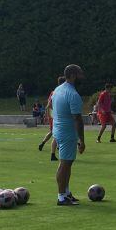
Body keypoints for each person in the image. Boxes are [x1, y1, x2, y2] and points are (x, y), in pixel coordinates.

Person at [51, 64, 86, 205]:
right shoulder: (73, 94)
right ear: (72, 75)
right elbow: (77, 119)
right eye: (80, 74)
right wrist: (82, 141)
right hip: (67, 133)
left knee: (68, 163)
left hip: (59, 130)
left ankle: (66, 192)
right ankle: (61, 197)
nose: (82, 77)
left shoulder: (58, 89)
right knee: (64, 164)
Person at [38, 76, 64, 160]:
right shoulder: (58, 92)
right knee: (56, 133)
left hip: (53, 114)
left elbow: (48, 105)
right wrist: (48, 115)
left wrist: (47, 115)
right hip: (54, 114)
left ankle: (43, 143)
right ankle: (54, 151)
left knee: (53, 132)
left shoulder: (54, 91)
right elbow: (49, 105)